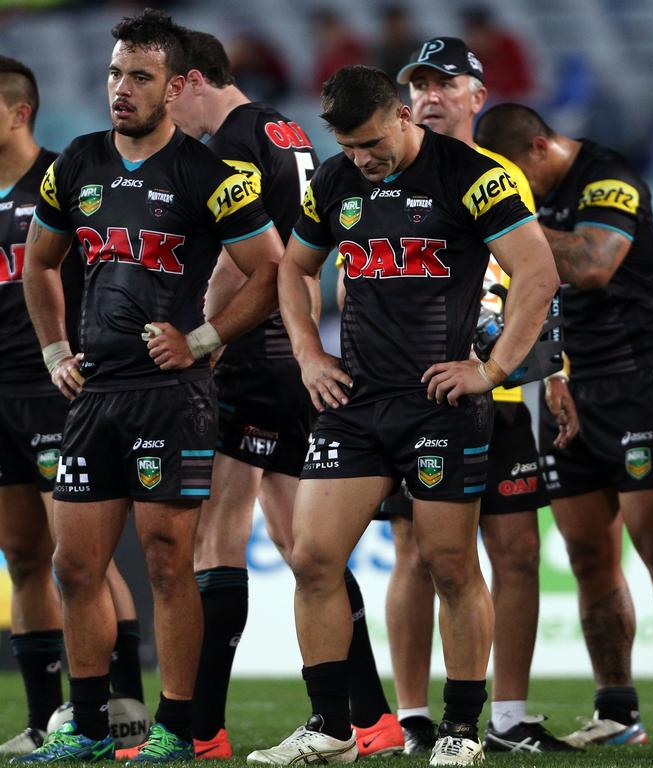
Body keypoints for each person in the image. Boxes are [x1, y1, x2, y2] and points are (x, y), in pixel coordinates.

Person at [246, 65, 558, 767]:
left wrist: (493, 370)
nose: (362, 159)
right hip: (353, 403)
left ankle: (460, 731)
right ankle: (331, 727)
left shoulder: (475, 175)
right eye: (349, 146)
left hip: (440, 405)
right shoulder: (334, 181)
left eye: (370, 143)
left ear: (402, 116)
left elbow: (537, 272)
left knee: (451, 565)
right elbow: (293, 270)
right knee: (313, 558)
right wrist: (307, 355)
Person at [15, 9, 282, 763]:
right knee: (74, 567)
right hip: (94, 395)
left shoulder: (211, 176)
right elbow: (40, 264)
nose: (121, 89)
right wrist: (54, 349)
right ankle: (91, 725)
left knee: (169, 564)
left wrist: (202, 339)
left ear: (174, 88)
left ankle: (177, 727)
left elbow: (272, 271)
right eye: (113, 74)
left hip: (172, 396)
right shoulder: (76, 164)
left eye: (139, 76)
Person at [151, 28, 399, 760]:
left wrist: (203, 337)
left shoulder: (227, 141)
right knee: (301, 545)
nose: (172, 111)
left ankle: (203, 728)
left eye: (170, 91)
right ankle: (374, 716)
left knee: (218, 532)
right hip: (292, 350)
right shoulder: (282, 127)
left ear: (193, 80)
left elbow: (244, 263)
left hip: (253, 351)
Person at [475, 103, 653, 748]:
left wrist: (514, 223)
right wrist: (553, 373)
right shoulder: (537, 189)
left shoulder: (607, 177)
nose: (507, 196)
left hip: (643, 381)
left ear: (538, 148)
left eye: (511, 179)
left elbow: (591, 264)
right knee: (588, 554)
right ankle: (617, 711)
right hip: (570, 386)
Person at [375, 36, 575, 755]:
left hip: (498, 389)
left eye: (444, 83)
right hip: (411, 390)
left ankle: (510, 715)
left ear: (475, 97)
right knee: (417, 553)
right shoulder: (380, 171)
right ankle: (410, 715)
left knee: (516, 552)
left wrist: (554, 370)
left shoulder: (499, 176)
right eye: (419, 85)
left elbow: (532, 280)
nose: (429, 95)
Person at [0, 55, 146, 756]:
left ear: (18, 110)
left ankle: (124, 707)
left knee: (81, 558)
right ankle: (40, 715)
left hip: (57, 388)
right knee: (24, 555)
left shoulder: (65, 178)